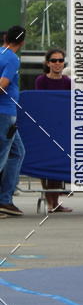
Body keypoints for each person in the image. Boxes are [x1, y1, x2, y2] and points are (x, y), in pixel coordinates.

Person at [34, 48, 72, 213]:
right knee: (45, 164)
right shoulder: (41, 80)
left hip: (62, 126)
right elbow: (40, 102)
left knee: (58, 164)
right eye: (54, 60)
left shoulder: (67, 82)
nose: (57, 63)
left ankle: (55, 201)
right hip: (45, 126)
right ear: (48, 63)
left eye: (60, 60)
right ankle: (50, 201)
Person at [0, 26, 27, 216]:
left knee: (17, 152)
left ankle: (5, 199)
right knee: (2, 156)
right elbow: (3, 84)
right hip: (5, 112)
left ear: (5, 37)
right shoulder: (11, 58)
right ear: (22, 42)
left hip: (6, 113)